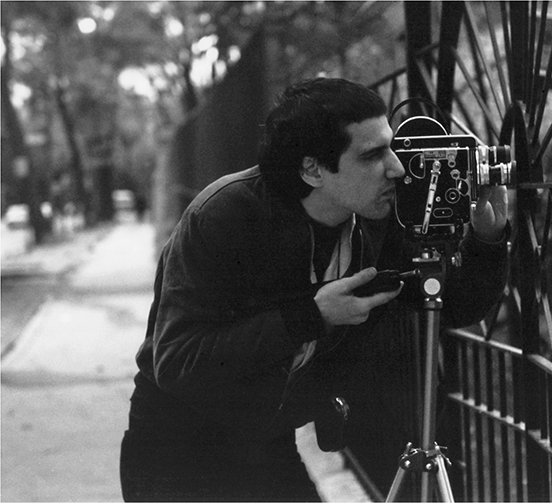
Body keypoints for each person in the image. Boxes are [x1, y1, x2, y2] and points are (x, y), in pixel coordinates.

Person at [119, 77, 510, 502]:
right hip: (177, 450)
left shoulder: (376, 221)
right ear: (312, 169)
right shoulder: (226, 216)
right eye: (373, 155)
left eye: (392, 147)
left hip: (265, 442)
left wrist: (487, 238)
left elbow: (452, 305)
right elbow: (176, 362)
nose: (396, 167)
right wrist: (312, 315)